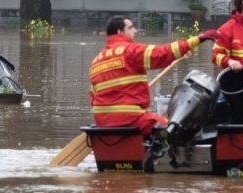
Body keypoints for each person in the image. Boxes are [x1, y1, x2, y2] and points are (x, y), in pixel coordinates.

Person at [90, 15, 218, 135]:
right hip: (128, 118)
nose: (135, 31)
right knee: (172, 131)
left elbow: (93, 96)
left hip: (102, 121)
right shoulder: (130, 50)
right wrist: (199, 38)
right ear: (120, 32)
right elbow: (163, 53)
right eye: (130, 27)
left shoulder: (95, 61)